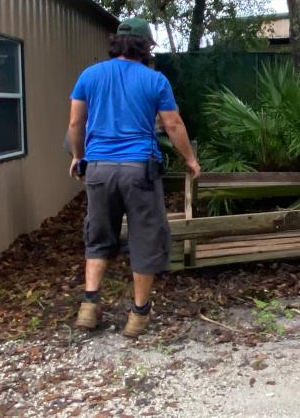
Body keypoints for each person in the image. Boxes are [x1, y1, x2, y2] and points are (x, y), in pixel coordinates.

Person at [66, 17, 201, 337]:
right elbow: (173, 125)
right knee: (145, 237)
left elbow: (75, 124)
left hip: (98, 169)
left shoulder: (89, 75)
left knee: (98, 234)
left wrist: (78, 156)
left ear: (116, 43)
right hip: (138, 169)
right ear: (146, 46)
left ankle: (89, 305)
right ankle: (137, 315)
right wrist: (190, 159)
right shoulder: (155, 80)